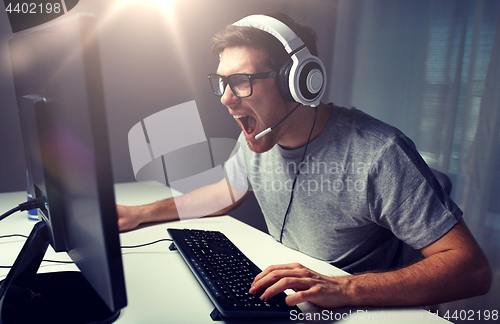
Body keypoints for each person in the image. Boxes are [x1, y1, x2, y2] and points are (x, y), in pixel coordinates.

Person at [117, 12, 491, 309]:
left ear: (298, 81)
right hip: (291, 295)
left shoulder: (379, 153)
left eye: (242, 81)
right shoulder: (258, 133)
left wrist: (344, 288)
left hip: (350, 308)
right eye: (221, 82)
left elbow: (472, 270)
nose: (226, 99)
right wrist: (139, 214)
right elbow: (227, 190)